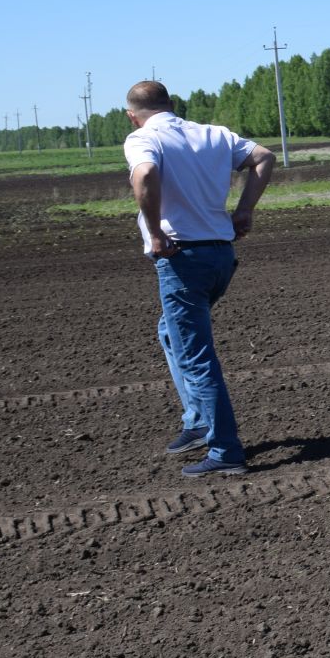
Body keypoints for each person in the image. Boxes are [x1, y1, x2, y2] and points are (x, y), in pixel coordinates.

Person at [122, 80, 276, 477]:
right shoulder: (214, 134)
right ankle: (196, 421)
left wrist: (155, 232)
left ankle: (224, 448)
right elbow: (264, 157)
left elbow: (145, 176)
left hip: (182, 258)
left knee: (196, 354)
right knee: (171, 333)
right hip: (221, 256)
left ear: (132, 115)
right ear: (172, 105)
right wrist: (244, 211)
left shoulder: (142, 138)